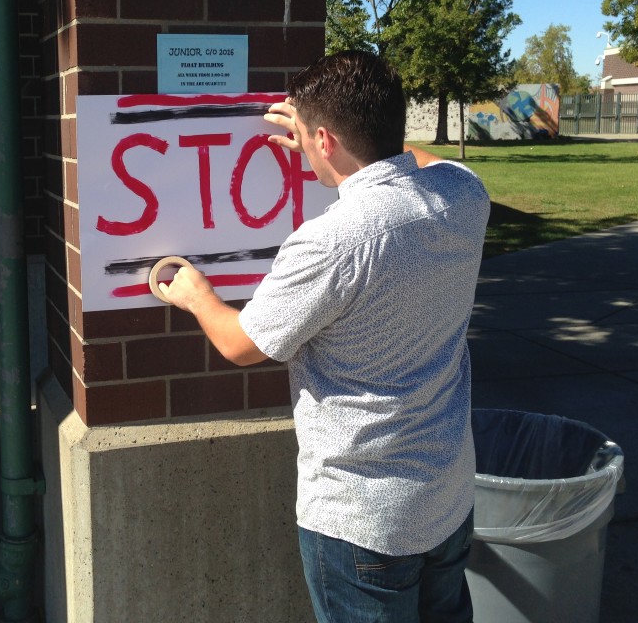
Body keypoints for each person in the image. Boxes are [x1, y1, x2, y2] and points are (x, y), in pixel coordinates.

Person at [158, 50, 490, 623]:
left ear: (325, 139)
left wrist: (197, 295)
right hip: (449, 496)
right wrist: (329, 138)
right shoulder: (464, 195)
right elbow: (421, 161)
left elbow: (242, 344)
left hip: (363, 525)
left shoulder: (333, 242)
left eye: (314, 141)